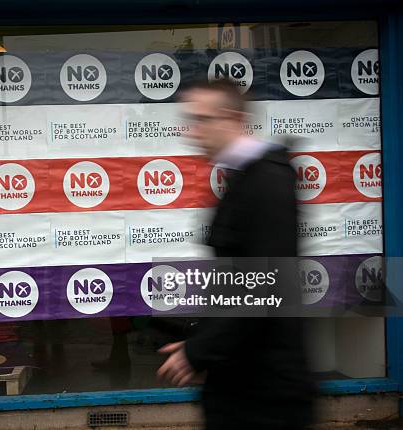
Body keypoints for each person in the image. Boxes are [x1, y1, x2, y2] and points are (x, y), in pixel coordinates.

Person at [157, 79, 314, 430]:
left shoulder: (267, 183)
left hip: (266, 396)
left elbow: (265, 287)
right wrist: (203, 343)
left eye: (200, 119)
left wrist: (198, 352)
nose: (192, 131)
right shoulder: (245, 177)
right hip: (242, 383)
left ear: (230, 118)